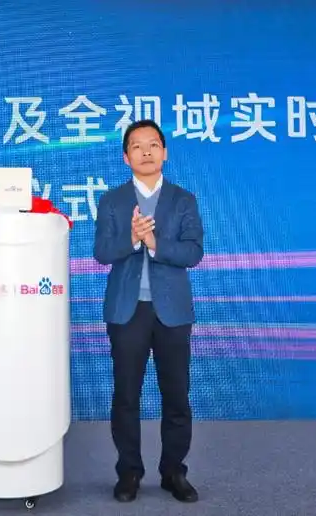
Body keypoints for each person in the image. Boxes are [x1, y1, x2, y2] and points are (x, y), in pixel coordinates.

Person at [92, 120, 205, 504]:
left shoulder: (183, 200)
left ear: (164, 153)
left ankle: (174, 471)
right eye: (137, 146)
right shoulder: (112, 201)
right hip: (127, 311)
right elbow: (101, 252)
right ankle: (129, 472)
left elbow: (193, 252)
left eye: (153, 145)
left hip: (172, 311)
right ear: (126, 157)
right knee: (126, 395)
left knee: (176, 395)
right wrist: (131, 238)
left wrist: (155, 242)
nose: (145, 152)